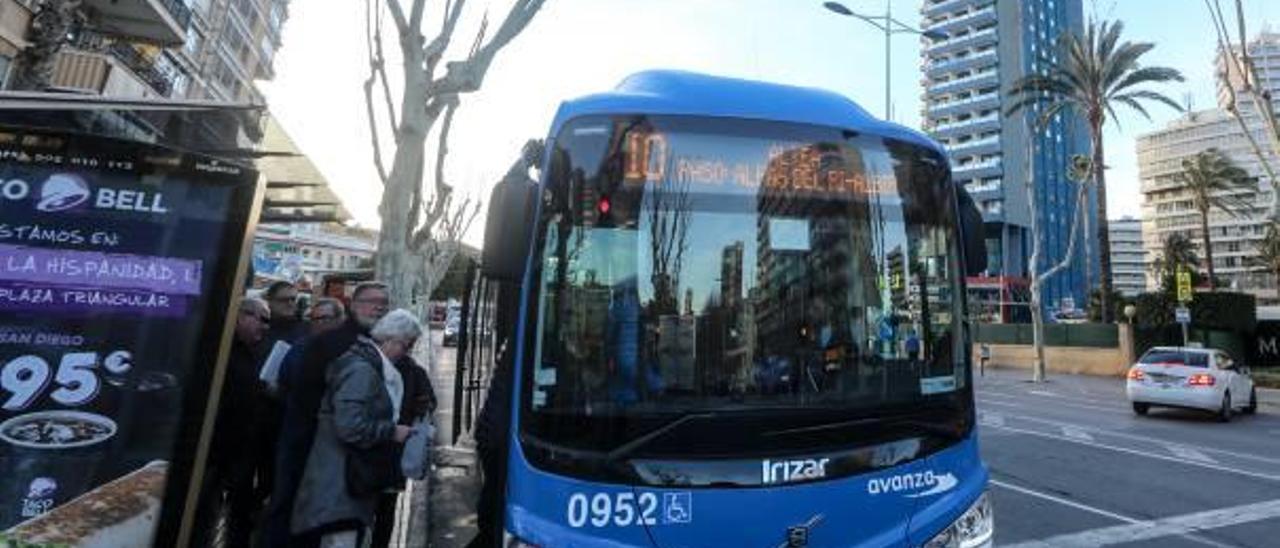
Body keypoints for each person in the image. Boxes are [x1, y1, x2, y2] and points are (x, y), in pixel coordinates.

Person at [264, 284, 390, 548]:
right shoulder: (333, 345)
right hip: (315, 450)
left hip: (328, 455)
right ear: (353, 305)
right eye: (371, 301)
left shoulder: (370, 344)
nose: (378, 307)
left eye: (384, 302)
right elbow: (302, 395)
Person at [291, 309, 422, 547]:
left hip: (345, 483)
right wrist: (392, 431)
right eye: (406, 345)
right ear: (391, 339)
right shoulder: (362, 370)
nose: (407, 352)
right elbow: (350, 427)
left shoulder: (365, 365)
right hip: (341, 486)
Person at [195, 297, 272, 548]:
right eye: (260, 319)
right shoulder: (218, 349)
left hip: (237, 453)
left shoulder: (252, 352)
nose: (265, 327)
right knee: (202, 515)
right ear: (240, 316)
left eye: (267, 321)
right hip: (212, 451)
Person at [369, 342, 437, 548]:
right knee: (387, 510)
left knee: (370, 508)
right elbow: (429, 404)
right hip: (395, 454)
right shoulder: (416, 372)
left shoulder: (370, 366)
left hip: (373, 452)